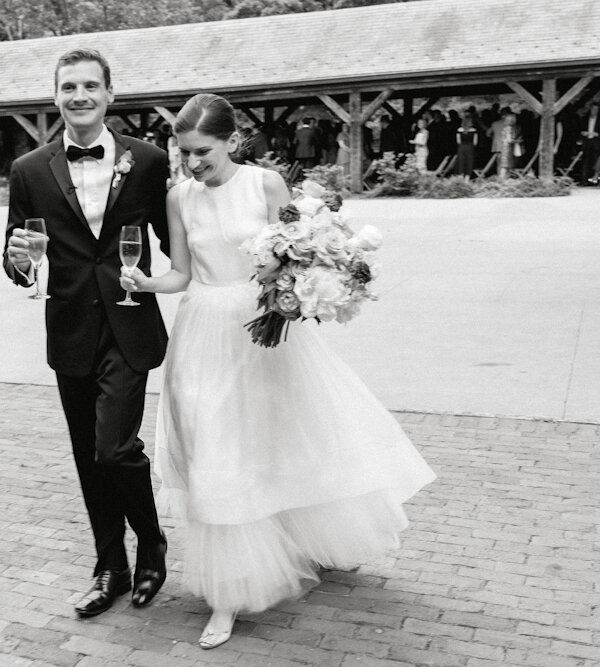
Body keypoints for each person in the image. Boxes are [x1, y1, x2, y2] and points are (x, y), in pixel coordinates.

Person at [120, 93, 435, 649]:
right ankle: (227, 595)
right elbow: (181, 273)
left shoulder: (265, 185)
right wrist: (146, 284)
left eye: (204, 152)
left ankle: (300, 541)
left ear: (231, 140)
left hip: (263, 328)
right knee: (213, 448)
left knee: (277, 436)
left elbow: (295, 257)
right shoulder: (178, 198)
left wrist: (302, 292)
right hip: (203, 329)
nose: (193, 164)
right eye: (184, 152)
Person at [3, 48, 171, 619]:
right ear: (55, 96)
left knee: (113, 447)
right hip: (70, 327)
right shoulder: (28, 171)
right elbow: (17, 258)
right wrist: (21, 260)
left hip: (130, 320)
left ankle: (150, 544)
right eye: (69, 86)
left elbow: (180, 242)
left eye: (91, 86)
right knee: (87, 455)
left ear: (110, 95)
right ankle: (110, 567)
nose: (80, 96)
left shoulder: (148, 161)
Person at [455, 112, 479, 179]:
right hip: (470, 147)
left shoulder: (459, 130)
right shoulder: (474, 130)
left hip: (461, 147)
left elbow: (458, 141)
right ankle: (467, 177)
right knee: (469, 161)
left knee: (461, 161)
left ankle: (460, 176)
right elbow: (475, 142)